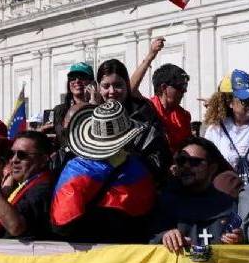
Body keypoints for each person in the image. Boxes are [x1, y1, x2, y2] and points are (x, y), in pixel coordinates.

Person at [52, 101, 158, 243]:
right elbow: (146, 215)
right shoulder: (138, 167)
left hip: (87, 250)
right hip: (130, 249)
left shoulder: (75, 170)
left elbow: (62, 224)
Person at [155, 137, 241, 253]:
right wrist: (165, 236)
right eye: (181, 161)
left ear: (212, 168)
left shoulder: (229, 205)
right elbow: (150, 239)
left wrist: (240, 239)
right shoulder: (166, 203)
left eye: (194, 162)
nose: (186, 166)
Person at [95, 58, 172, 177]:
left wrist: (129, 160)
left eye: (118, 85)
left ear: (127, 85)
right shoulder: (94, 117)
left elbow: (161, 157)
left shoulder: (143, 113)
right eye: (106, 86)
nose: (112, 91)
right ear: (99, 88)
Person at [0, 130, 53, 239]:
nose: (14, 160)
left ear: (43, 160)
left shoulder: (42, 188)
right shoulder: (24, 184)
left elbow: (15, 226)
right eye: (11, 154)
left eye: (22, 155)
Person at [146, 63, 191, 153]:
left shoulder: (184, 116)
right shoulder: (147, 110)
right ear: (164, 87)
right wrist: (148, 59)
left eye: (185, 86)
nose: (185, 90)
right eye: (181, 86)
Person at [50, 62, 94, 146]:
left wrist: (93, 104)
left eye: (82, 77)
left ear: (92, 83)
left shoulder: (99, 108)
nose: (77, 81)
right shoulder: (58, 110)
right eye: (72, 77)